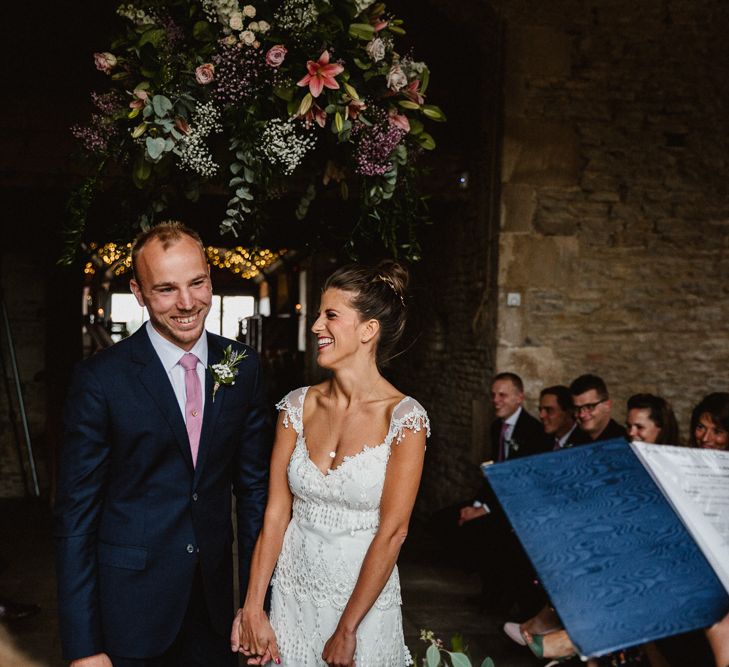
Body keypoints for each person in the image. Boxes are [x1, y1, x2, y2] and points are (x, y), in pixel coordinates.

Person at [54, 222, 271, 667]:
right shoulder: (100, 380)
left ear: (210, 277)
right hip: (129, 612)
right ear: (138, 292)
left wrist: (257, 607)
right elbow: (75, 515)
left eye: (197, 283)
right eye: (167, 289)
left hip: (215, 611)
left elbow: (254, 496)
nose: (188, 303)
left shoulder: (244, 367)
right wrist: (84, 646)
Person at [231, 261, 429, 666]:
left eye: (331, 315)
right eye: (320, 314)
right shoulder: (296, 406)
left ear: (367, 330)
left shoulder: (405, 419)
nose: (316, 325)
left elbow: (393, 532)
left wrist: (348, 629)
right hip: (291, 594)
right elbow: (275, 513)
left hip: (361, 606)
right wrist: (253, 605)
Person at [570, 374, 627, 443]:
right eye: (577, 408)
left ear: (607, 405)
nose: (582, 414)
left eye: (589, 407)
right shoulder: (573, 441)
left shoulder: (624, 442)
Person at [538, 385, 586, 450]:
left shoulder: (585, 443)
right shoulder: (539, 441)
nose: (541, 415)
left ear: (568, 412)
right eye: (540, 410)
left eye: (549, 410)